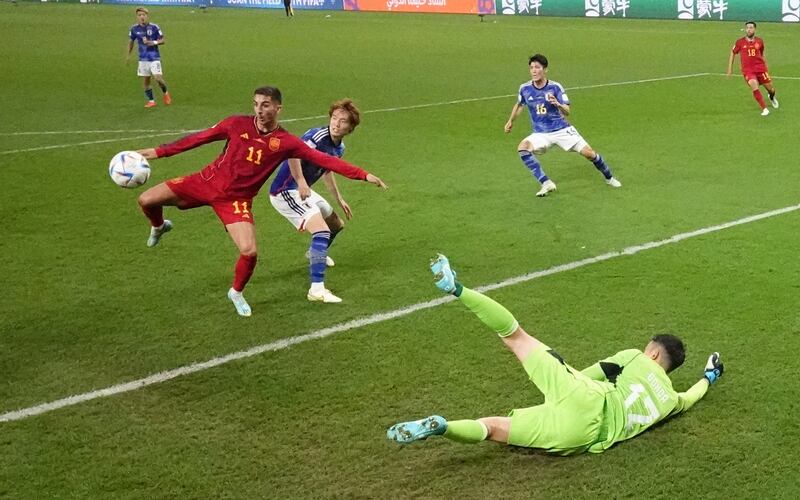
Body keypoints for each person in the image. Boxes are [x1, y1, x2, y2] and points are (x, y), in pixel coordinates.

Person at [387, 254, 725, 455]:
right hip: (583, 436)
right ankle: (443, 427)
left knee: (515, 337)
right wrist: (710, 375)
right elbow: (694, 394)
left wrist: (559, 374)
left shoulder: (635, 357)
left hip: (587, 397)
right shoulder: (671, 399)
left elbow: (592, 373)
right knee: (492, 429)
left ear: (652, 353)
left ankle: (457, 289)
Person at [135, 86, 387, 317]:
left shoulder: (286, 142)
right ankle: (158, 226)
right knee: (146, 199)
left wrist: (362, 175)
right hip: (205, 181)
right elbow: (198, 139)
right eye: (256, 104)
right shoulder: (236, 123)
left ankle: (235, 292)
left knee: (250, 251)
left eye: (265, 104)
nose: (259, 109)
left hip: (236, 200)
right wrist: (157, 152)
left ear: (278, 108)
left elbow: (326, 162)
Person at [269, 99, 362, 303]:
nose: (336, 123)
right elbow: (292, 153)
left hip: (303, 190)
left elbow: (327, 169)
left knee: (336, 225)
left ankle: (315, 254)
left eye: (342, 121)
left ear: (350, 127)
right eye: (334, 118)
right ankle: (317, 290)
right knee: (321, 231)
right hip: (286, 191)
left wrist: (339, 198)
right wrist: (301, 181)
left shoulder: (339, 148)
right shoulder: (317, 136)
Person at [504, 54, 621, 197]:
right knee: (523, 148)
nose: (534, 71)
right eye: (531, 68)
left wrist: (557, 104)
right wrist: (510, 121)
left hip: (562, 130)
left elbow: (567, 111)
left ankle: (609, 177)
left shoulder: (555, 87)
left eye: (537, 67)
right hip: (541, 133)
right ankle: (546, 183)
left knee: (589, 154)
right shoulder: (525, 88)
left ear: (545, 69)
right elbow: (520, 104)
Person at [726, 21, 779, 117]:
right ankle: (764, 109)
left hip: (761, 69)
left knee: (771, 89)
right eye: (747, 28)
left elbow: (761, 53)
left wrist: (764, 65)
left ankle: (771, 97)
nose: (749, 29)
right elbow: (733, 52)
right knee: (753, 84)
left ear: (755, 29)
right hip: (748, 70)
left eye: (751, 28)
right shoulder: (740, 42)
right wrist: (730, 68)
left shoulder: (760, 41)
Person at [126, 7, 172, 108]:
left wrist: (153, 42)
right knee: (146, 81)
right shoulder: (134, 29)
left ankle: (166, 93)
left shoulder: (154, 27)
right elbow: (131, 42)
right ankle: (151, 101)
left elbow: (163, 40)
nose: (142, 17)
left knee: (158, 78)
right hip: (143, 59)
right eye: (139, 15)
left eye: (144, 15)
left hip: (154, 57)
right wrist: (128, 55)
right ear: (137, 17)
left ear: (147, 16)